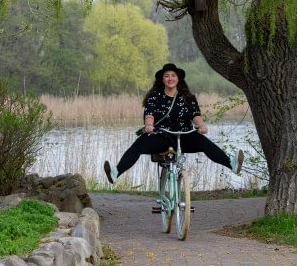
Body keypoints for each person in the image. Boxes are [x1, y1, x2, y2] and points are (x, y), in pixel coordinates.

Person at [104, 63, 243, 184]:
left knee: (204, 143)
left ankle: (232, 164)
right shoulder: (154, 96)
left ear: (178, 79)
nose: (170, 78)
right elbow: (150, 114)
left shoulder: (188, 97)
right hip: (162, 136)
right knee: (139, 144)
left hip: (184, 136)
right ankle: (115, 173)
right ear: (162, 79)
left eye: (173, 75)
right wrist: (148, 125)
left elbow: (196, 115)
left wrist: (202, 126)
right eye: (167, 76)